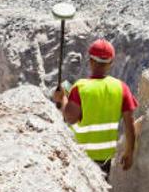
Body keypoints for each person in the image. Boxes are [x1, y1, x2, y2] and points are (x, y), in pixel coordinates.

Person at [54, 39, 138, 176]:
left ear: (90, 61)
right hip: (104, 159)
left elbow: (70, 117)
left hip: (79, 156)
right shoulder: (121, 88)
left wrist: (62, 99)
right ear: (111, 62)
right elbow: (130, 124)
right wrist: (129, 151)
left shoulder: (80, 87)